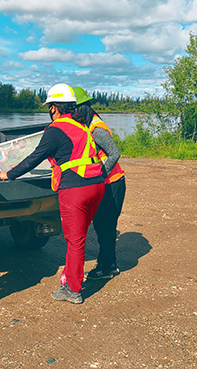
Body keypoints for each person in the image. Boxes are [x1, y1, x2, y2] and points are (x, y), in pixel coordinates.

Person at [0, 84, 105, 304]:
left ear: (54, 107)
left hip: (76, 188)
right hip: (97, 185)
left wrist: (9, 174)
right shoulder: (82, 125)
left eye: (50, 107)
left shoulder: (56, 129)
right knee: (79, 237)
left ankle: (73, 290)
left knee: (75, 241)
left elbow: (34, 157)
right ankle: (69, 277)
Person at [71, 87, 126, 280]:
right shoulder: (86, 125)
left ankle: (108, 266)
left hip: (112, 183)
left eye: (74, 109)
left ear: (82, 108)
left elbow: (115, 153)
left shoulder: (97, 128)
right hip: (104, 182)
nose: (71, 113)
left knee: (106, 225)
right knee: (101, 225)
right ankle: (106, 263)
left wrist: (100, 175)